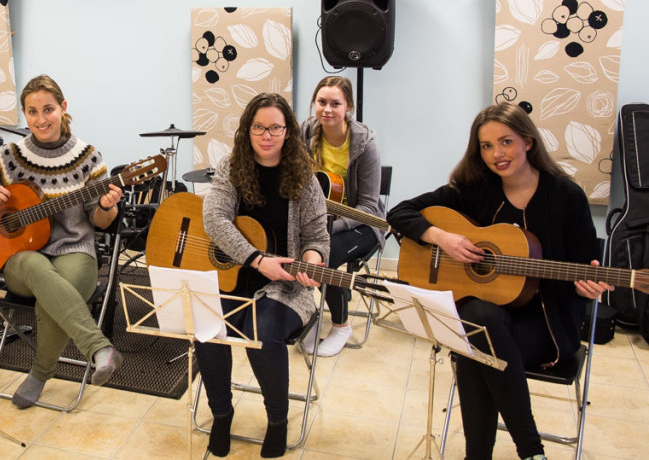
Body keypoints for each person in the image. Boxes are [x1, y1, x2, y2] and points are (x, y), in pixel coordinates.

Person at [386, 103, 613, 460]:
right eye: (486, 146)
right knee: (481, 322)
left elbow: (583, 267)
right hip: (490, 318)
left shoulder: (566, 196)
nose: (496, 154)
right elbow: (399, 212)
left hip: (547, 323)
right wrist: (443, 238)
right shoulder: (476, 190)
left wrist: (587, 285)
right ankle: (530, 452)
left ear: (528, 142)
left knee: (474, 349)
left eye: (505, 142)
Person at [0, 74, 124, 409]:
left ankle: (39, 374)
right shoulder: (8, 156)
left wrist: (105, 206)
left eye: (49, 109)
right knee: (33, 265)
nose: (42, 119)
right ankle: (98, 346)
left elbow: (100, 223)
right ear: (24, 114)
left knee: (53, 295)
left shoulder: (88, 156)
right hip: (22, 258)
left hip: (75, 252)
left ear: (63, 108)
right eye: (33, 112)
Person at [197, 93, 329, 458]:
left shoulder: (304, 177)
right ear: (247, 130)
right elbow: (214, 219)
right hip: (233, 277)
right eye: (259, 127)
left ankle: (277, 420)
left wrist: (313, 257)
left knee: (264, 331)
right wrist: (256, 259)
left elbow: (318, 236)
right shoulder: (231, 168)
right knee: (206, 327)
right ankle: (221, 414)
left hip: (285, 287)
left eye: (275, 127)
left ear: (288, 132)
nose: (266, 135)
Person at [299, 75, 384, 357]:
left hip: (361, 223)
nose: (327, 109)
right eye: (322, 102)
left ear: (347, 107)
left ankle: (340, 325)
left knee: (324, 254)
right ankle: (306, 315)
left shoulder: (365, 145)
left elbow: (370, 207)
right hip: (317, 219)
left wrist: (331, 228)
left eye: (335, 104)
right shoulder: (306, 134)